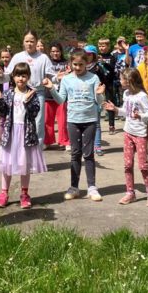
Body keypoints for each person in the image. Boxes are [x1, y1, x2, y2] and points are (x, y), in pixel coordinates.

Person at [44, 49, 105, 202]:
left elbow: (99, 102)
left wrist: (99, 94)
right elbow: (60, 100)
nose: (78, 67)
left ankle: (92, 187)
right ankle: (74, 187)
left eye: (81, 64)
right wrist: (52, 88)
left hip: (90, 120)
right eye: (75, 64)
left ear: (87, 64)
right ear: (71, 63)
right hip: (73, 121)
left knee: (88, 154)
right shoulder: (66, 79)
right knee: (75, 154)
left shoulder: (93, 78)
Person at [0, 61, 46, 209]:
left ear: (28, 77)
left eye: (24, 76)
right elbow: (2, 113)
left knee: (24, 165)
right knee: (7, 165)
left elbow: (35, 112)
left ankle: (24, 194)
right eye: (18, 75)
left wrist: (28, 101)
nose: (20, 78)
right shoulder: (8, 93)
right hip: (10, 133)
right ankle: (4, 193)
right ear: (13, 77)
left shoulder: (32, 93)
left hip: (26, 134)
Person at [105, 68, 148, 207]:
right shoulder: (126, 93)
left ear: (129, 81)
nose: (120, 81)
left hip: (140, 134)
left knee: (143, 166)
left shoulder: (142, 96)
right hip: (128, 132)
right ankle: (130, 193)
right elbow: (125, 111)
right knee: (127, 165)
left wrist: (140, 116)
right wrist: (115, 109)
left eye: (121, 79)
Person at [6, 31, 55, 152]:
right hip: (20, 93)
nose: (29, 44)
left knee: (38, 123)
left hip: (38, 93)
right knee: (20, 121)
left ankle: (36, 152)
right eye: (27, 41)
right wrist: (0, 75)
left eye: (32, 41)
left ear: (36, 42)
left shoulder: (43, 57)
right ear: (23, 42)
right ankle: (21, 151)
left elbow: (52, 76)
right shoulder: (17, 57)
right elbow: (7, 75)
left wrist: (57, 78)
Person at [42, 43, 69, 150]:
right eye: (53, 51)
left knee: (63, 121)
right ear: (49, 52)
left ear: (61, 52)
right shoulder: (46, 62)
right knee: (47, 121)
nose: (55, 53)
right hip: (48, 95)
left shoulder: (66, 63)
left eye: (57, 51)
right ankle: (47, 141)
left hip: (62, 96)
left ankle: (64, 141)